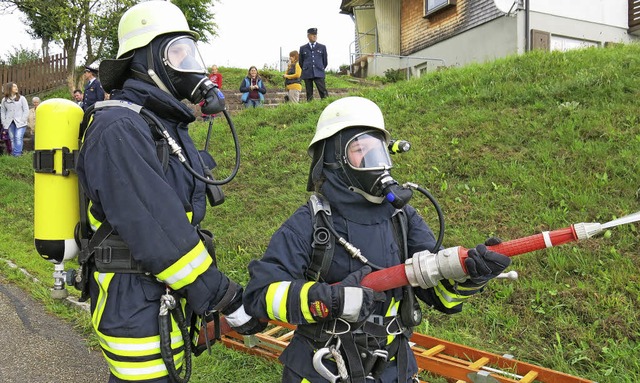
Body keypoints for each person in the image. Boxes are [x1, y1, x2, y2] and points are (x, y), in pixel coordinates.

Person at [244, 97, 511, 383]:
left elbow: (439, 295)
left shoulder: (402, 218)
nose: (374, 163)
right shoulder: (311, 222)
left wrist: (470, 276)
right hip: (323, 367)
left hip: (393, 369)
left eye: (378, 151)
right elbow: (261, 295)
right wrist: (327, 301)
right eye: (360, 150)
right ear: (334, 159)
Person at [75, 1, 265, 382]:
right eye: (177, 52)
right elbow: (160, 231)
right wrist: (226, 299)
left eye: (190, 51)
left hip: (156, 299)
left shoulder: (157, 125)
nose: (190, 63)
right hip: (134, 310)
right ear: (148, 61)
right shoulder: (118, 128)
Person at [299, 28, 328, 101]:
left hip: (319, 72)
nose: (315, 36)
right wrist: (306, 68)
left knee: (323, 92)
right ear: (308, 36)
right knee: (309, 94)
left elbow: (325, 61)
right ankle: (310, 107)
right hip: (307, 72)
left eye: (315, 35)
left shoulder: (322, 47)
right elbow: (301, 62)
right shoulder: (303, 48)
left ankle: (325, 105)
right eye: (313, 35)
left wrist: (320, 68)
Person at [1, 82, 29, 156]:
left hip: (20, 123)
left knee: (18, 137)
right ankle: (13, 154)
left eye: (16, 86)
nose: (16, 88)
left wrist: (23, 120)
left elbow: (26, 110)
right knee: (12, 138)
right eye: (14, 86)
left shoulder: (22, 98)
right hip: (9, 122)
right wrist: (4, 122)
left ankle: (17, 154)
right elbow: (3, 112)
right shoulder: (4, 100)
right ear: (9, 88)